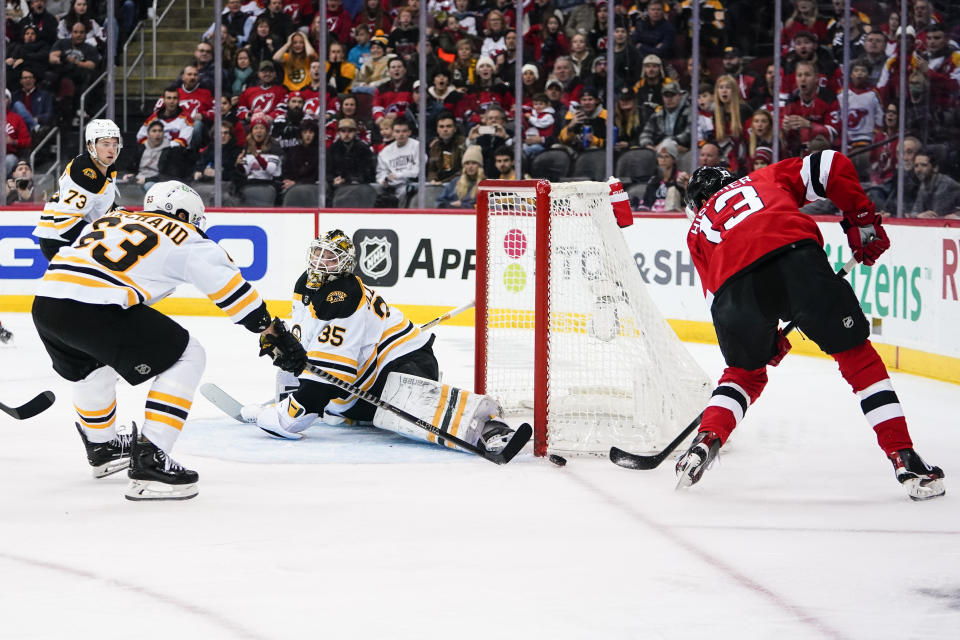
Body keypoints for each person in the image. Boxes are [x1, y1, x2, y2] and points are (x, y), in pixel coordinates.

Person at [677, 152, 945, 501]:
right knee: (857, 358)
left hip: (734, 290)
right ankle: (904, 457)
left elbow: (718, 299)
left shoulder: (696, 231)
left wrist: (763, 341)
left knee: (744, 374)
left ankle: (707, 438)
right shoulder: (764, 178)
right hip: (796, 257)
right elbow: (831, 163)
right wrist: (861, 220)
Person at [31, 181, 307, 501]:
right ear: (180, 212)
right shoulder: (185, 235)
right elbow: (235, 294)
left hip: (47, 303)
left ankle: (102, 446)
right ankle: (151, 459)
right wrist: (273, 333)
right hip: (95, 307)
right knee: (188, 355)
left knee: (91, 368)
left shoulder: (112, 219)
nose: (196, 224)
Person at [239, 230, 524, 458]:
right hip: (368, 372)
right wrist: (287, 343)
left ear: (346, 264)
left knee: (412, 408)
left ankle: (491, 427)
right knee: (338, 402)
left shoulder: (343, 295)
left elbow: (331, 374)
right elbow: (311, 336)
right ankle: (339, 410)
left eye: (330, 257)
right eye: (318, 253)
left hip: (405, 362)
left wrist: (292, 417)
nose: (320, 261)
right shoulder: (308, 284)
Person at [33, 119, 120, 260]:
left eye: (115, 144)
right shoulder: (85, 173)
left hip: (62, 234)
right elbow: (65, 221)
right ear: (91, 146)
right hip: (58, 240)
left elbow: (101, 202)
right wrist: (102, 236)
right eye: (105, 144)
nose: (112, 149)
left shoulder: (106, 167)